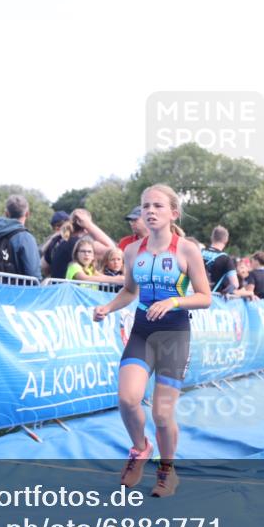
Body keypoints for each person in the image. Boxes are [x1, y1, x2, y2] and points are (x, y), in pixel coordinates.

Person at [93, 184, 211, 497]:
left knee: (161, 413)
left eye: (158, 206)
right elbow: (130, 291)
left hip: (174, 335)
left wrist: (173, 302)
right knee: (128, 398)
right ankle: (139, 448)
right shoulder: (133, 251)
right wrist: (108, 307)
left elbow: (204, 297)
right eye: (146, 206)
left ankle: (167, 471)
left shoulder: (187, 250)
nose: (150, 211)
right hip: (143, 331)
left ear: (173, 213)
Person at [0, 195, 41, 280]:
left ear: (6, 213)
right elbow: (33, 274)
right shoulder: (26, 238)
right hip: (16, 292)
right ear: (27, 214)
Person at [50, 208, 115, 279]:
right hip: (72, 289)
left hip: (57, 287)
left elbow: (44, 266)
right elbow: (111, 250)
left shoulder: (56, 240)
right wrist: (89, 225)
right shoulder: (80, 243)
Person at [201, 225, 238, 296]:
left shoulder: (199, 252)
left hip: (192, 295)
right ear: (226, 240)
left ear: (212, 237)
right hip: (213, 298)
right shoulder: (226, 259)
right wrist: (225, 292)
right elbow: (235, 284)